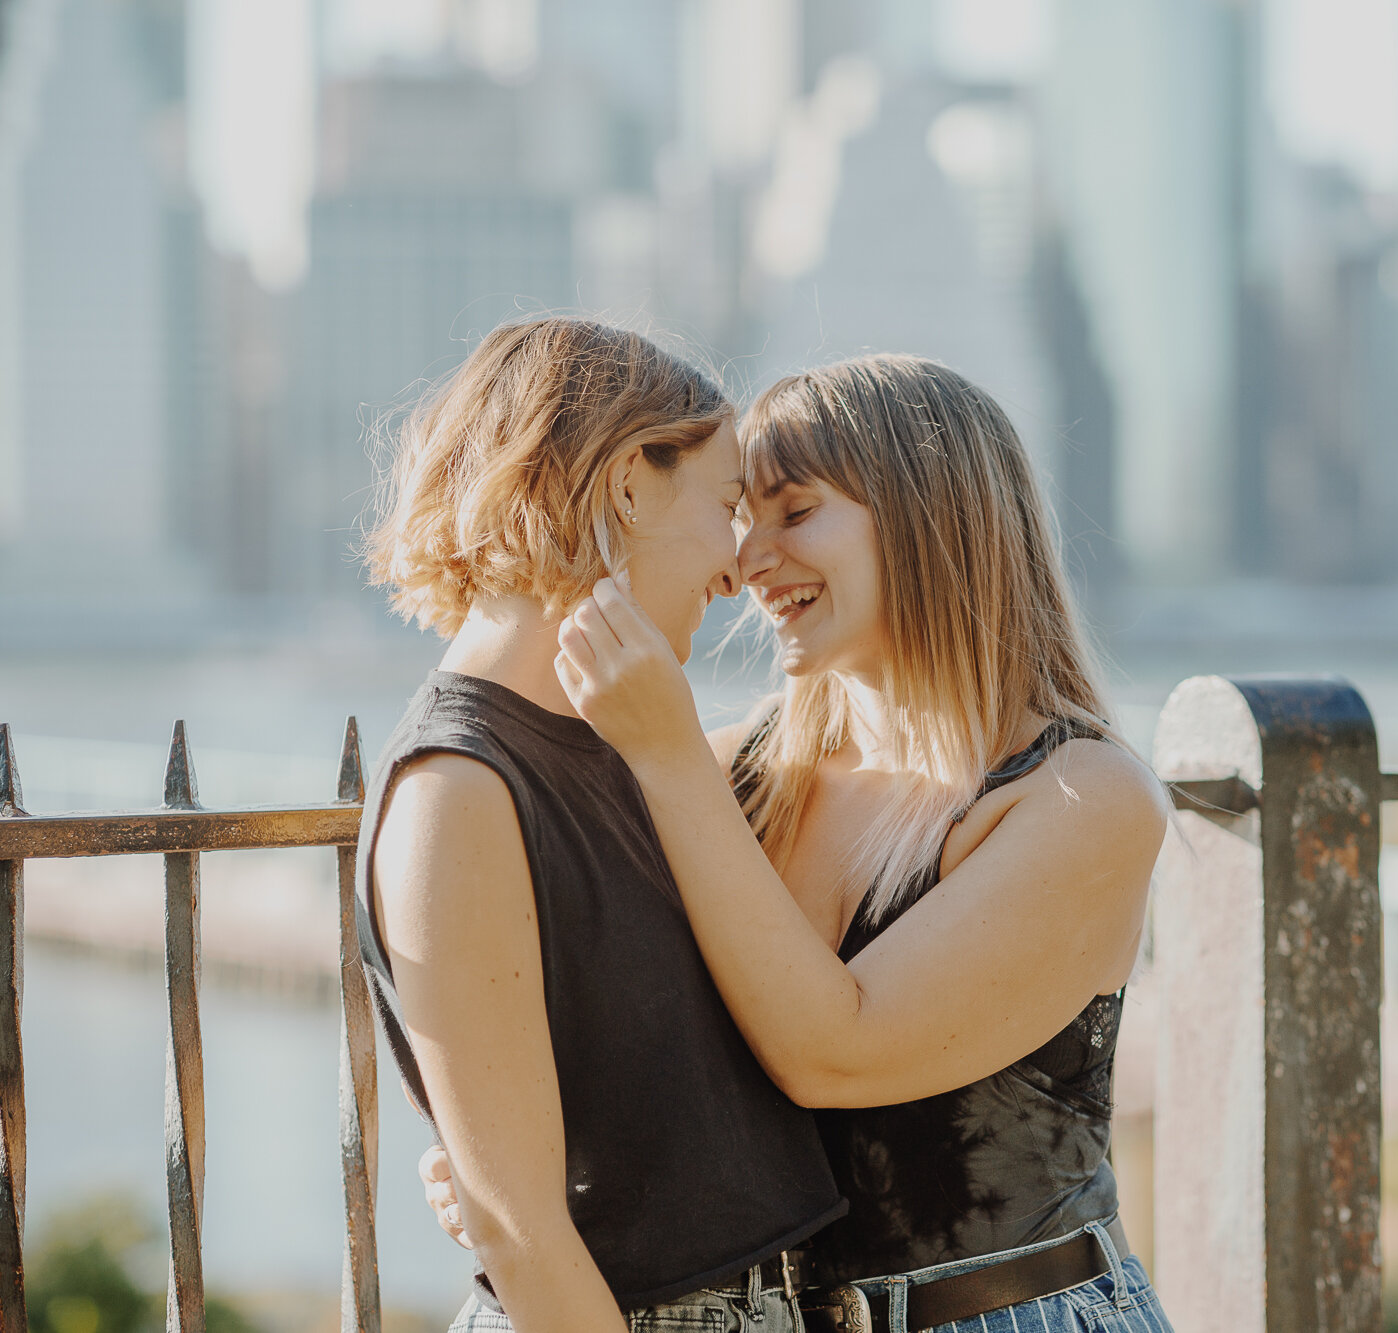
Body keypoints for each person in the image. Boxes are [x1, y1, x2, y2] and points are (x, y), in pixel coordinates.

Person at [425, 354, 1176, 1333]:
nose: (745, 563)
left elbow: (834, 1051)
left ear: (928, 515)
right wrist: (511, 1167)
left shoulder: (1081, 796)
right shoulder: (722, 774)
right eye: (740, 516)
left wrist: (662, 752)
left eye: (793, 511)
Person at [358, 316, 844, 1333]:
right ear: (628, 483)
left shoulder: (624, 747)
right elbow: (522, 1232)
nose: (738, 565)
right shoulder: (460, 789)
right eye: (725, 505)